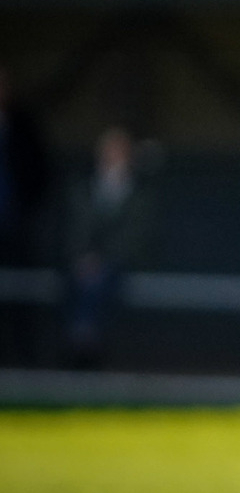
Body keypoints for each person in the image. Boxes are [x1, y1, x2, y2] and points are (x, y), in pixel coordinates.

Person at [64, 127, 151, 367]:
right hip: (82, 265)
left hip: (118, 264)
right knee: (84, 281)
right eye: (108, 152)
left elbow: (135, 236)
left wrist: (100, 259)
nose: (113, 157)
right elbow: (75, 228)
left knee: (98, 281)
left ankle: (84, 340)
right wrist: (84, 257)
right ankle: (84, 341)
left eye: (119, 152)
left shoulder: (139, 192)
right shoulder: (84, 187)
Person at [0, 67, 52, 365]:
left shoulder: (23, 125)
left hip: (14, 225)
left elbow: (39, 173)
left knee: (20, 295)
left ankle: (23, 361)